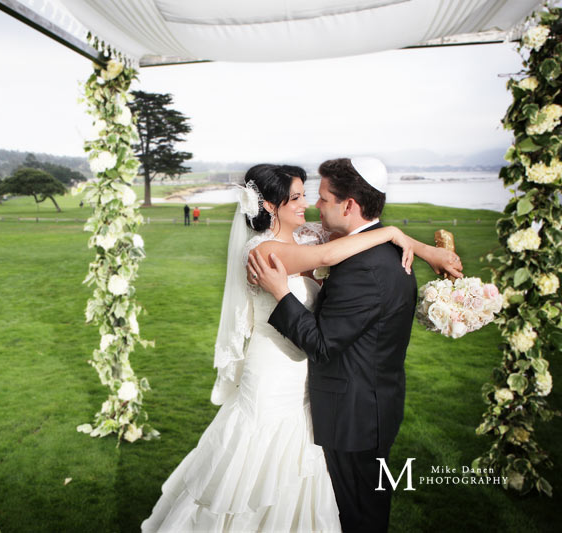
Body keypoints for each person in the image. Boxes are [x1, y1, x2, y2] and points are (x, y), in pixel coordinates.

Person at [141, 163, 461, 532]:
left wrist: (421, 248)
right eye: (296, 197)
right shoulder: (262, 252)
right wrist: (392, 231)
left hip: (309, 378)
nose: (307, 204)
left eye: (309, 195)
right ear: (271, 206)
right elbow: (328, 258)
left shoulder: (309, 236)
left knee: (308, 474)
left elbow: (352, 238)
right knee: (261, 470)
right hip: (274, 371)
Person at [248, 158, 461, 532]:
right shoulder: (380, 251)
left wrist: (282, 293)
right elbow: (330, 254)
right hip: (372, 405)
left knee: (359, 515)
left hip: (354, 417)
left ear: (349, 206)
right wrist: (408, 239)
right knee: (358, 509)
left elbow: (323, 344)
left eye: (323, 197)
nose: (315, 204)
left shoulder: (364, 267)